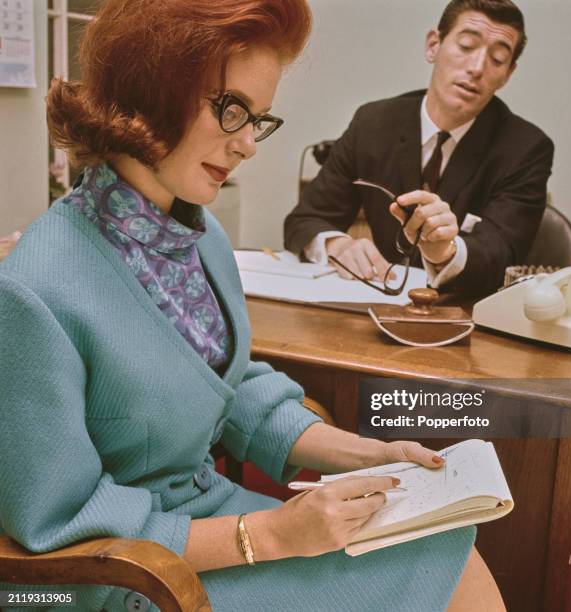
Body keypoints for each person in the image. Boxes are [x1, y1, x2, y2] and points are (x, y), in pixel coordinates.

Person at [0, 1, 504, 610]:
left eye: (257, 119)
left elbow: (234, 392)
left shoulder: (199, 233)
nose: (247, 145)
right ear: (153, 82)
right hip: (128, 574)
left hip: (209, 522)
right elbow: (58, 522)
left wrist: (375, 455)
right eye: (232, 109)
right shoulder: (33, 291)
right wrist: (269, 535)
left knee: (447, 546)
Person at [284, 0, 554, 297]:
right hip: (375, 305)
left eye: (498, 59)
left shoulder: (526, 149)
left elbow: (502, 256)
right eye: (466, 46)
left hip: (465, 316)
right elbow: (304, 220)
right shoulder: (373, 124)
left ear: (508, 74)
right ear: (433, 45)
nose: (477, 68)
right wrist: (337, 245)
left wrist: (446, 251)